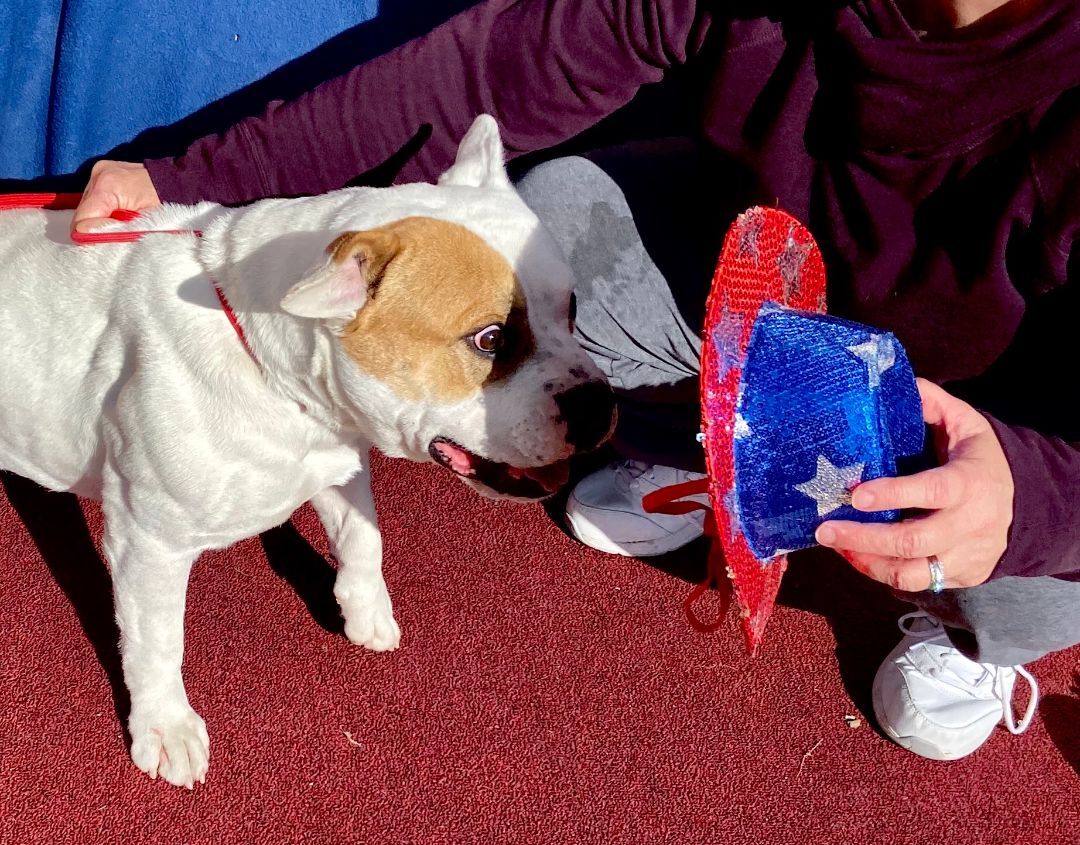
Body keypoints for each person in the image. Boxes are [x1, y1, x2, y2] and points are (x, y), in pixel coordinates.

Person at [71, 0, 1080, 760]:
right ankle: (713, 455)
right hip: (774, 272)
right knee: (547, 236)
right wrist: (184, 176)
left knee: (1014, 546)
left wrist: (1020, 496)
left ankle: (990, 638)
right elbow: (494, 65)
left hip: (999, 413)